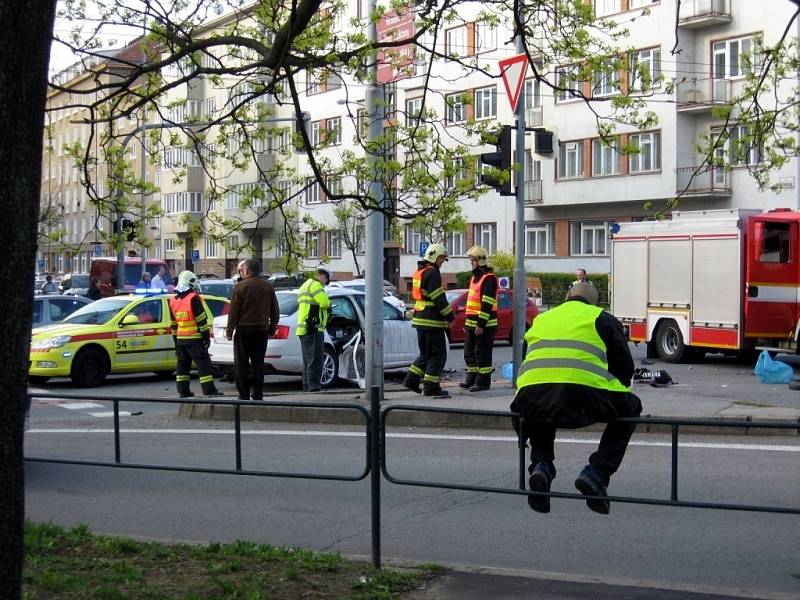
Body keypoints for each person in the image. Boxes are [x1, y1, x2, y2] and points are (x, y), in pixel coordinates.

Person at [510, 282, 642, 515]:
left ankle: (541, 465)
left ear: (567, 297)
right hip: (582, 398)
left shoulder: (543, 319)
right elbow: (624, 368)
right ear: (592, 302)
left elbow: (527, 362)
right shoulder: (601, 318)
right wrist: (612, 388)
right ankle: (596, 473)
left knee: (542, 404)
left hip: (528, 398)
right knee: (631, 406)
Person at [403, 243, 455, 398]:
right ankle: (431, 387)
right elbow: (438, 298)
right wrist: (450, 316)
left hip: (420, 319)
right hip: (432, 320)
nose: (442, 262)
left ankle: (411, 380)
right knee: (438, 355)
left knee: (426, 354)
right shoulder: (432, 273)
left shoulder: (420, 271)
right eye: (441, 259)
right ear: (434, 257)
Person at [226, 259, 280, 401]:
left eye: (242, 270)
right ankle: (258, 393)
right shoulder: (268, 286)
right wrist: (272, 328)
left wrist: (229, 330)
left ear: (248, 271)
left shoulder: (240, 286)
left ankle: (243, 395)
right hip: (261, 331)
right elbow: (275, 310)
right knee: (258, 364)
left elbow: (234, 312)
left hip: (244, 331)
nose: (241, 272)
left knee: (242, 364)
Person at [168, 270, 223, 398]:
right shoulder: (193, 298)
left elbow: (173, 324)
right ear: (191, 283)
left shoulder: (173, 300)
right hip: (195, 339)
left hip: (181, 339)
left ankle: (183, 391)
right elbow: (201, 320)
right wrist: (205, 337)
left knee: (182, 367)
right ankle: (209, 390)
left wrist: (176, 341)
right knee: (204, 365)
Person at [459, 245, 499, 392]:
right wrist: (467, 323)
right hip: (471, 323)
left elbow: (487, 304)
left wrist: (481, 324)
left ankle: (483, 383)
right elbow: (471, 303)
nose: (471, 262)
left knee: (482, 354)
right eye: (471, 259)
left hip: (485, 324)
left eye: (473, 260)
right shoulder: (475, 278)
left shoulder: (489, 279)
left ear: (481, 261)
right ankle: (472, 380)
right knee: (469, 353)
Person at [296, 267, 331, 392]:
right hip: (313, 327)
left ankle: (307, 385)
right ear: (322, 276)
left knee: (307, 360)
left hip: (304, 327)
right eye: (325, 281)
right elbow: (325, 303)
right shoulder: (316, 285)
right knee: (315, 360)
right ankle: (314, 386)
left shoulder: (305, 285)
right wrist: (330, 305)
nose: (324, 284)